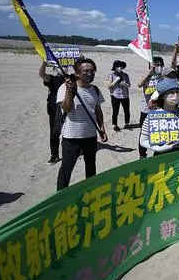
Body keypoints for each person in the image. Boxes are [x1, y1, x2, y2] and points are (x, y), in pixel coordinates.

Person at [56, 58, 107, 190]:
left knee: (91, 168)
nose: (90, 74)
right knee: (66, 169)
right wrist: (69, 92)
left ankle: (91, 192)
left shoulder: (95, 90)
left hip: (90, 136)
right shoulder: (65, 87)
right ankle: (60, 196)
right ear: (77, 73)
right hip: (71, 137)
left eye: (92, 71)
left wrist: (102, 129)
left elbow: (98, 111)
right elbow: (66, 108)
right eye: (86, 71)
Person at [139, 79, 179, 155]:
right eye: (171, 92)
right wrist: (158, 148)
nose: (175, 95)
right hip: (163, 156)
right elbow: (143, 140)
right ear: (163, 96)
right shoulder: (153, 116)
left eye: (178, 92)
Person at [136, 56, 165, 158]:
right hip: (146, 110)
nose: (158, 66)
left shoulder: (163, 77)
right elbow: (139, 84)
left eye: (160, 65)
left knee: (159, 133)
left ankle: (157, 154)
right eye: (156, 64)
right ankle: (142, 155)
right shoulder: (146, 76)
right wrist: (150, 72)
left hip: (160, 110)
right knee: (144, 133)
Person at [39, 61, 66, 164]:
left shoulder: (71, 78)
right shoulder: (52, 79)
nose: (63, 68)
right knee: (55, 132)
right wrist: (44, 62)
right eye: (61, 66)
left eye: (65, 66)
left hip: (69, 108)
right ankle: (54, 154)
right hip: (55, 109)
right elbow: (42, 74)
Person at [107, 60, 131, 132]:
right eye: (117, 66)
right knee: (115, 111)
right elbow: (109, 86)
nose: (119, 67)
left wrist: (125, 84)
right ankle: (115, 125)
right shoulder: (111, 75)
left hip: (125, 95)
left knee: (126, 111)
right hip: (115, 95)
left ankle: (127, 124)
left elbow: (129, 85)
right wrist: (115, 81)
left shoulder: (126, 75)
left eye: (121, 66)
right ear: (115, 67)